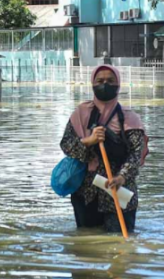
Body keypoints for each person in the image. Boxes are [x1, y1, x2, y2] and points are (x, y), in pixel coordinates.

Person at [60, 65, 146, 233]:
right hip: (86, 193)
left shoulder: (130, 118)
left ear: (118, 85)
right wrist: (88, 140)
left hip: (120, 192)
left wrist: (122, 177)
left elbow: (136, 155)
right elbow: (66, 145)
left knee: (119, 242)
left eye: (110, 81)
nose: (105, 84)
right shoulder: (81, 114)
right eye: (100, 81)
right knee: (88, 244)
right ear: (92, 84)